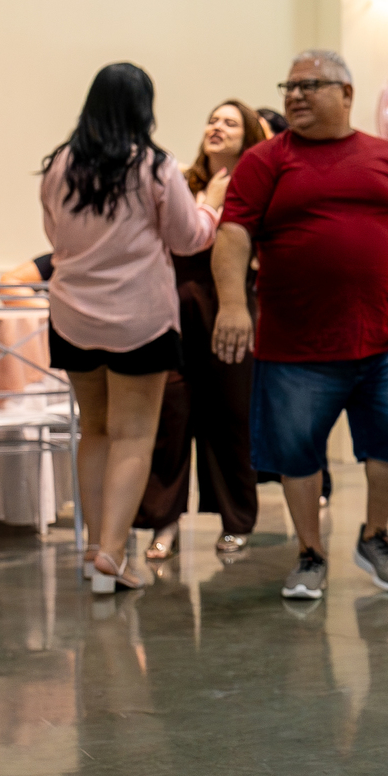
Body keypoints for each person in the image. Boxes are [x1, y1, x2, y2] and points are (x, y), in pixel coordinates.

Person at [212, 49, 388, 601]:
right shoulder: (265, 161)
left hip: (382, 340)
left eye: (309, 85)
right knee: (298, 455)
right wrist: (232, 304)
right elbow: (233, 234)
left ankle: (375, 536)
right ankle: (310, 552)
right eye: (289, 86)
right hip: (295, 346)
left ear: (346, 93)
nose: (295, 95)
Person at [40, 62, 228, 593]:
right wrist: (211, 207)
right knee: (134, 435)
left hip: (72, 316)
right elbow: (188, 238)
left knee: (95, 430)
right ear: (144, 108)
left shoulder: (60, 164)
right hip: (139, 321)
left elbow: (54, 236)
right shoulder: (154, 166)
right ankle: (114, 554)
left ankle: (93, 549)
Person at [137, 99, 265, 562]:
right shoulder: (182, 181)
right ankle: (164, 522)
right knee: (169, 417)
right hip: (174, 309)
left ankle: (236, 522)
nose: (217, 127)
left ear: (248, 137)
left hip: (229, 310)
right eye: (213, 120)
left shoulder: (256, 187)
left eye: (230, 123)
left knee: (230, 417)